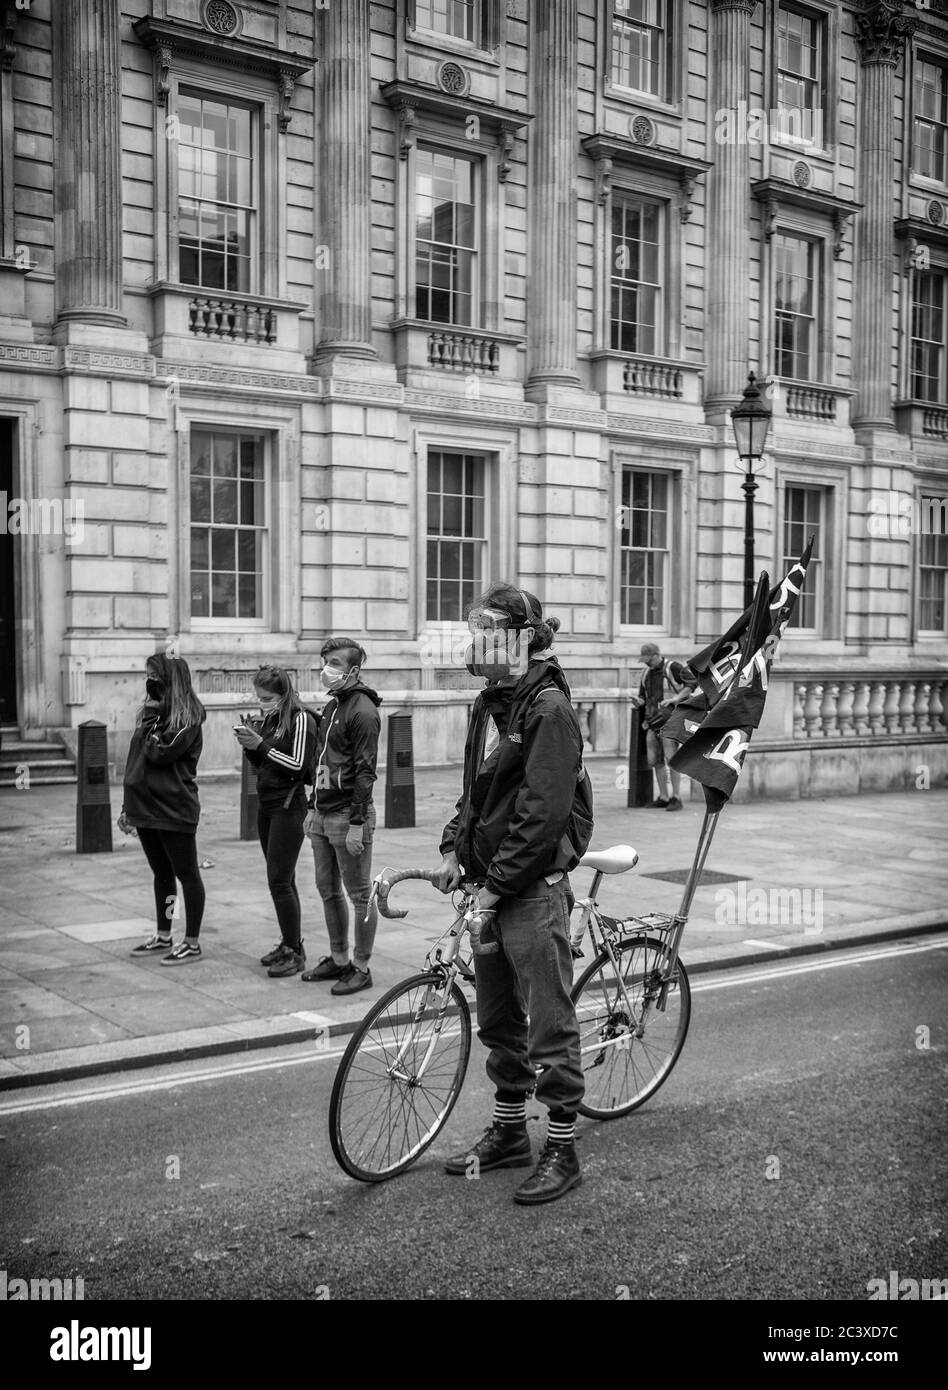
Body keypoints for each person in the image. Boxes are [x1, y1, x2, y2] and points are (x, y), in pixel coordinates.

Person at [432, 584, 592, 1206]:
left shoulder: (548, 710)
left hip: (528, 891)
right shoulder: (493, 704)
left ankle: (562, 1147)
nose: (471, 645)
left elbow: (541, 816)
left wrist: (494, 891)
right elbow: (479, 796)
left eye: (484, 633)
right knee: (500, 1019)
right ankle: (508, 1134)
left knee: (548, 1024)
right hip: (491, 886)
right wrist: (453, 847)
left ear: (517, 642)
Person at [301, 637, 382, 996]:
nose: (326, 668)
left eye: (334, 662)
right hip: (322, 811)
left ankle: (361, 966)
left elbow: (366, 771)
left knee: (360, 894)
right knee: (327, 889)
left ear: (354, 670)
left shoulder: (362, 710)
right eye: (325, 661)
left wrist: (357, 822)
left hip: (349, 814)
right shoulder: (333, 706)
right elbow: (322, 760)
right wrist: (310, 808)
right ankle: (338, 958)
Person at [122, 654, 207, 964]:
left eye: (154, 676)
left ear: (171, 680)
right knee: (162, 874)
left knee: (187, 874)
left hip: (174, 807)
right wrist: (126, 805)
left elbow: (160, 752)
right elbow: (137, 760)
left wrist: (151, 721)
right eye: (148, 676)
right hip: (144, 806)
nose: (150, 682)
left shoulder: (188, 718)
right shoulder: (151, 715)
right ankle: (163, 933)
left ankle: (193, 941)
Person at [236, 665, 317, 979]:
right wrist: (250, 746)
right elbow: (265, 764)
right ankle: (289, 942)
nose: (263, 702)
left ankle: (295, 951)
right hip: (268, 805)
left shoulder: (300, 718)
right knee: (284, 879)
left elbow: (297, 765)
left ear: (283, 694)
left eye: (268, 697)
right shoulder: (272, 719)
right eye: (259, 697)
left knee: (279, 880)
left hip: (288, 806)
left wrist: (262, 746)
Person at [629, 643, 697, 810]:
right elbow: (643, 697)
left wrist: (675, 699)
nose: (645, 663)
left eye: (647, 659)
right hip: (652, 722)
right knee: (655, 760)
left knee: (671, 758)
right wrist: (639, 702)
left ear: (655, 655)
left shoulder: (672, 667)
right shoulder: (646, 673)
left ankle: (676, 797)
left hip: (671, 721)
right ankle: (663, 797)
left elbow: (692, 683)